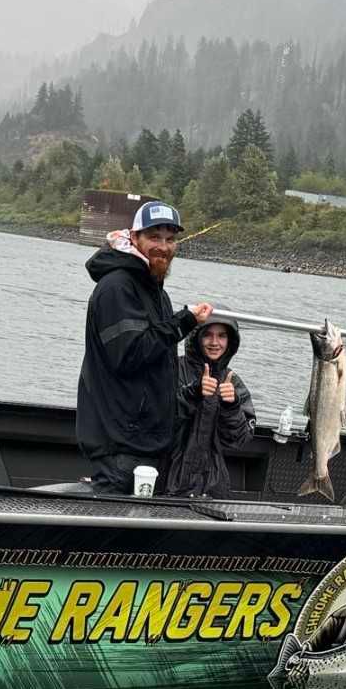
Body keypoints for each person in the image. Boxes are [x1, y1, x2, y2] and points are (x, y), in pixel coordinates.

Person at [77, 199, 213, 493]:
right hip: (121, 445)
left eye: (170, 239)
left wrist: (191, 392)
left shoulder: (154, 290)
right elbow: (130, 354)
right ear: (134, 237)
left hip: (143, 443)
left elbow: (155, 364)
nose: (163, 246)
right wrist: (184, 321)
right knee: (110, 534)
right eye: (154, 237)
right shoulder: (117, 286)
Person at [166, 316, 256, 498]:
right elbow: (157, 419)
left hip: (212, 484)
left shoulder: (233, 382)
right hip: (166, 474)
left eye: (222, 336)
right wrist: (193, 393)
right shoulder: (172, 368)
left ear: (230, 341)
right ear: (196, 337)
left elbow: (238, 441)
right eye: (207, 335)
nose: (215, 342)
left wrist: (231, 407)